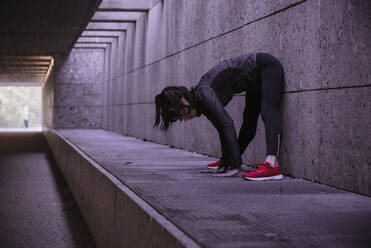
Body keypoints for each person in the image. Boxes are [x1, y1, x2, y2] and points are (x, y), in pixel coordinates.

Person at [154, 52, 284, 180]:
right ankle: (229, 159)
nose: (185, 119)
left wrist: (235, 166)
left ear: (183, 100)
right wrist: (225, 162)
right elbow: (222, 129)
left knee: (268, 112)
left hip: (267, 66)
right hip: (254, 82)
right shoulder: (201, 102)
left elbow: (227, 123)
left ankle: (272, 164)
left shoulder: (203, 94)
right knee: (249, 121)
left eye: (182, 113)